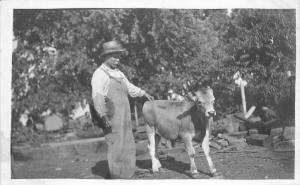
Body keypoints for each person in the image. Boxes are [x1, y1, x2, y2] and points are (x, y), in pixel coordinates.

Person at [91, 40, 153, 179]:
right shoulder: (99, 74)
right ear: (105, 57)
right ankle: (118, 175)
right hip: (111, 116)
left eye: (118, 56)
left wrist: (143, 93)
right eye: (114, 56)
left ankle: (130, 171)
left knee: (128, 142)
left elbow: (129, 87)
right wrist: (103, 116)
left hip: (124, 114)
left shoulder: (119, 73)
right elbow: (97, 96)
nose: (117, 59)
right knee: (116, 145)